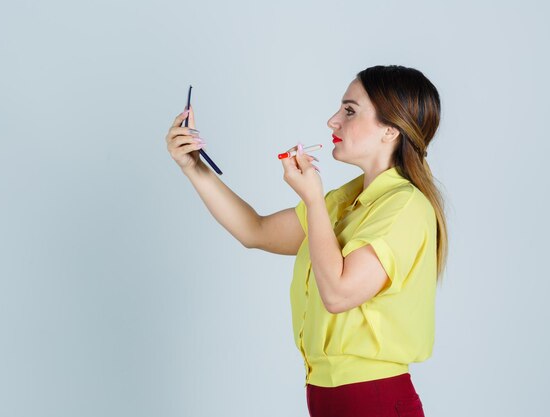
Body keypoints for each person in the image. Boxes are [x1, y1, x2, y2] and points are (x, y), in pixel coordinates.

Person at [165, 64, 448, 417]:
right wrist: (194, 167)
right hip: (329, 399)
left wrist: (313, 200)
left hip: (373, 400)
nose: (333, 120)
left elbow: (339, 293)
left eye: (349, 111)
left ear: (390, 130)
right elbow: (255, 231)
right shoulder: (345, 201)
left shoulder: (405, 206)